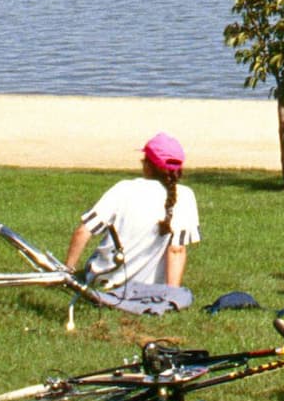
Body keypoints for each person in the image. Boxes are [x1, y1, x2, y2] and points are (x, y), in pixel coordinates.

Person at [64, 132, 199, 314]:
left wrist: (68, 272)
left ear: (148, 166)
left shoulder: (124, 189)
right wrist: (170, 294)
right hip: (147, 289)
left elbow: (83, 232)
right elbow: (177, 250)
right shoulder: (186, 196)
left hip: (104, 283)